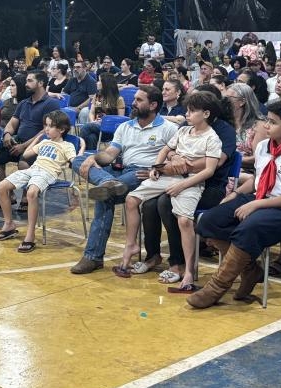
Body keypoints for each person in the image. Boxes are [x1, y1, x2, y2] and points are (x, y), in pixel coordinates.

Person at [188, 99, 281, 308]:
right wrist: (236, 194)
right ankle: (250, 270)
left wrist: (256, 205)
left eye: (272, 122)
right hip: (259, 198)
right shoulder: (262, 147)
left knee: (248, 228)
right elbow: (257, 179)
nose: (266, 125)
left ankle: (216, 288)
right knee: (209, 220)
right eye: (267, 120)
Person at [117, 91, 223, 289]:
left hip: (191, 181)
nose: (187, 114)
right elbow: (165, 150)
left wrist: (182, 185)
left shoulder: (212, 138)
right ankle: (131, 245)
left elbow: (209, 170)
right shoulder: (183, 131)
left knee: (184, 220)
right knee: (131, 199)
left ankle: (189, 270)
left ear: (206, 114)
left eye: (192, 111)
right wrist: (156, 168)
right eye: (188, 110)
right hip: (167, 176)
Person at [70, 86, 179, 274]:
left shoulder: (169, 129)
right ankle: (107, 182)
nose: (133, 103)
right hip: (120, 171)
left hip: (143, 174)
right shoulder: (125, 126)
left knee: (105, 197)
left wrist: (157, 170)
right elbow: (110, 155)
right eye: (134, 99)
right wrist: (94, 158)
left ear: (153, 105)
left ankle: (93, 257)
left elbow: (175, 159)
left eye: (138, 100)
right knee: (77, 159)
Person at [0, 110, 76, 253]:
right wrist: (36, 140)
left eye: (50, 126)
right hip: (33, 169)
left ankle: (30, 235)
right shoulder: (44, 141)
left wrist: (82, 150)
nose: (46, 129)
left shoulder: (67, 146)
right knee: (0, 186)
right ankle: (9, 225)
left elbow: (74, 161)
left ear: (62, 129)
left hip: (48, 172)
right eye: (45, 125)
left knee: (31, 192)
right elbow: (25, 155)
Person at [0, 71, 58, 192]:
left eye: (30, 81)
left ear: (40, 83)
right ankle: (7, 192)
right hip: (18, 142)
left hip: (39, 146)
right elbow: (12, 123)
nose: (26, 84)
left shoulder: (51, 104)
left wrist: (24, 146)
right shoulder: (24, 103)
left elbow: (46, 131)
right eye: (26, 81)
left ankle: (27, 197)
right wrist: (7, 134)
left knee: (24, 163)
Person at [78, 72, 125, 150]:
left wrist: (102, 122)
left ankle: (77, 149)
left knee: (86, 127)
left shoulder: (119, 99)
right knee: (91, 137)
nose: (97, 83)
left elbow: (121, 119)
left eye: (99, 81)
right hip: (96, 127)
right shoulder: (97, 96)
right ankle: (89, 156)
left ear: (105, 83)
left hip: (110, 129)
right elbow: (92, 112)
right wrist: (93, 121)